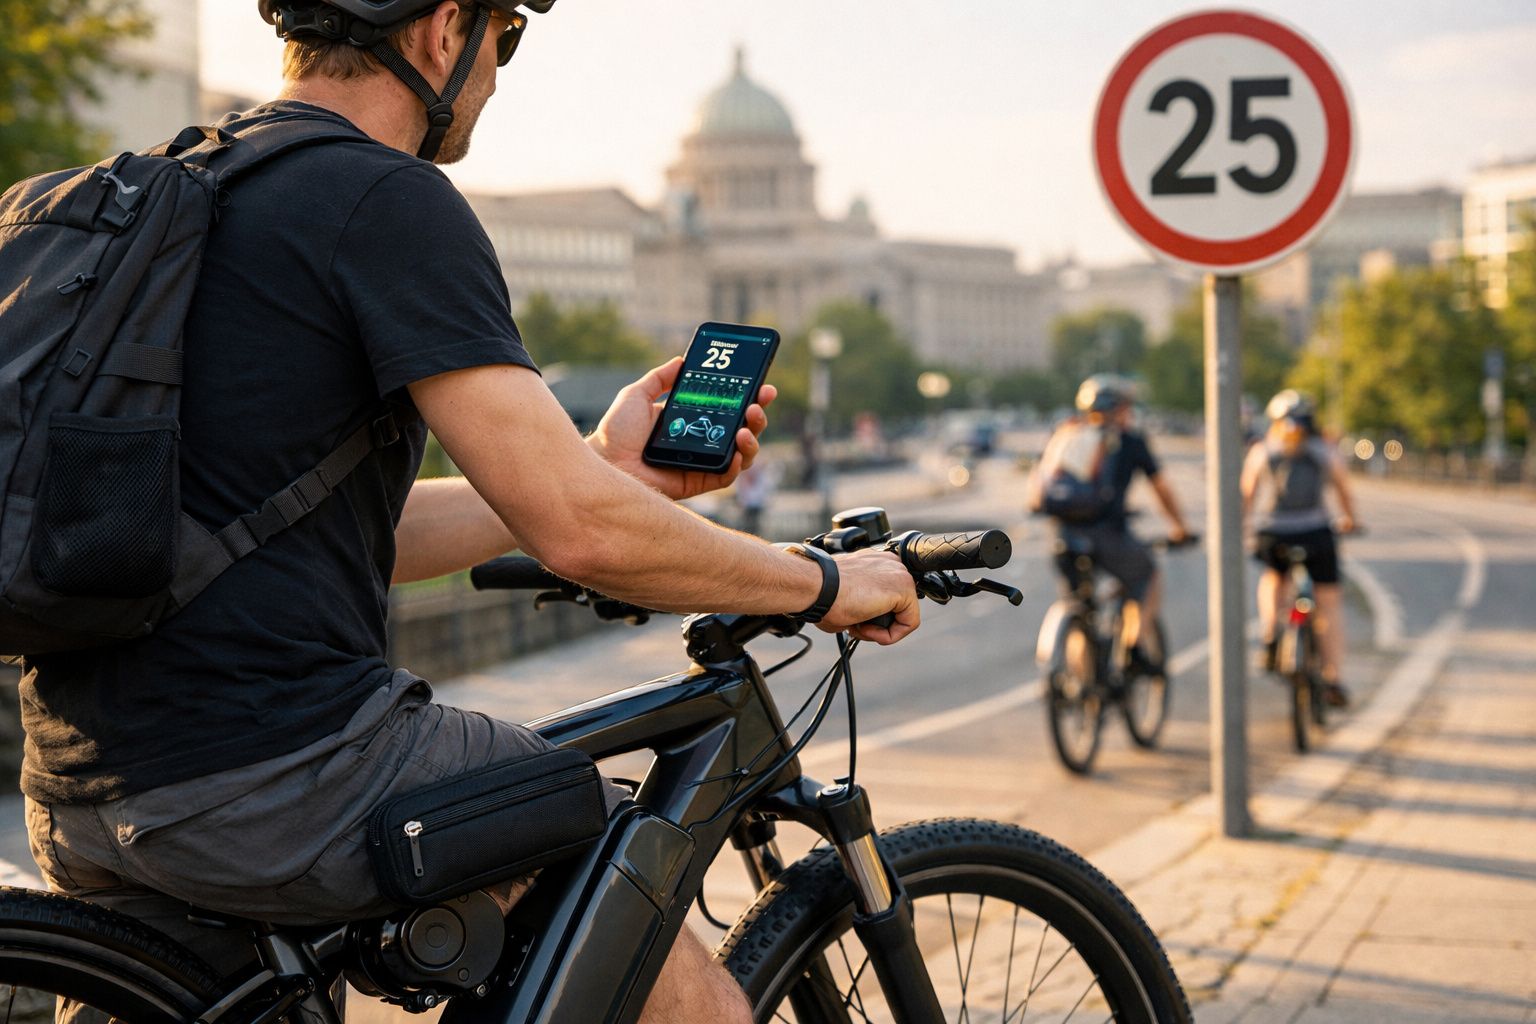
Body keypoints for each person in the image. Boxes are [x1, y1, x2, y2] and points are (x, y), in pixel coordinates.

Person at [16, 5, 920, 1022]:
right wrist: (827, 582)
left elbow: (344, 532)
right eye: (506, 34)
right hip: (279, 770)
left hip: (85, 784)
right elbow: (580, 534)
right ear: (444, 30)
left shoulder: (170, 192)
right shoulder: (386, 198)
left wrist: (590, 465)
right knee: (617, 868)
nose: (497, 70)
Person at [1027, 374, 1191, 669]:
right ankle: (1133, 648)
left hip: (1063, 538)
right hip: (1108, 538)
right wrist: (1180, 527)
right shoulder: (1129, 441)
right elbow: (1161, 489)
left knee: (1078, 607)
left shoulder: (1065, 435)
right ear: (1122, 408)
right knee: (1147, 576)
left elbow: (1038, 486)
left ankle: (1082, 685)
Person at [1241, 389, 1359, 707]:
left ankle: (1269, 635)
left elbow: (1247, 493)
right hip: (1316, 533)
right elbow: (1343, 490)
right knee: (1329, 604)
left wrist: (1246, 529)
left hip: (1273, 533)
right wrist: (1350, 520)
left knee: (1274, 579)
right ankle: (1333, 678)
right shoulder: (1323, 449)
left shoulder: (1263, 450)